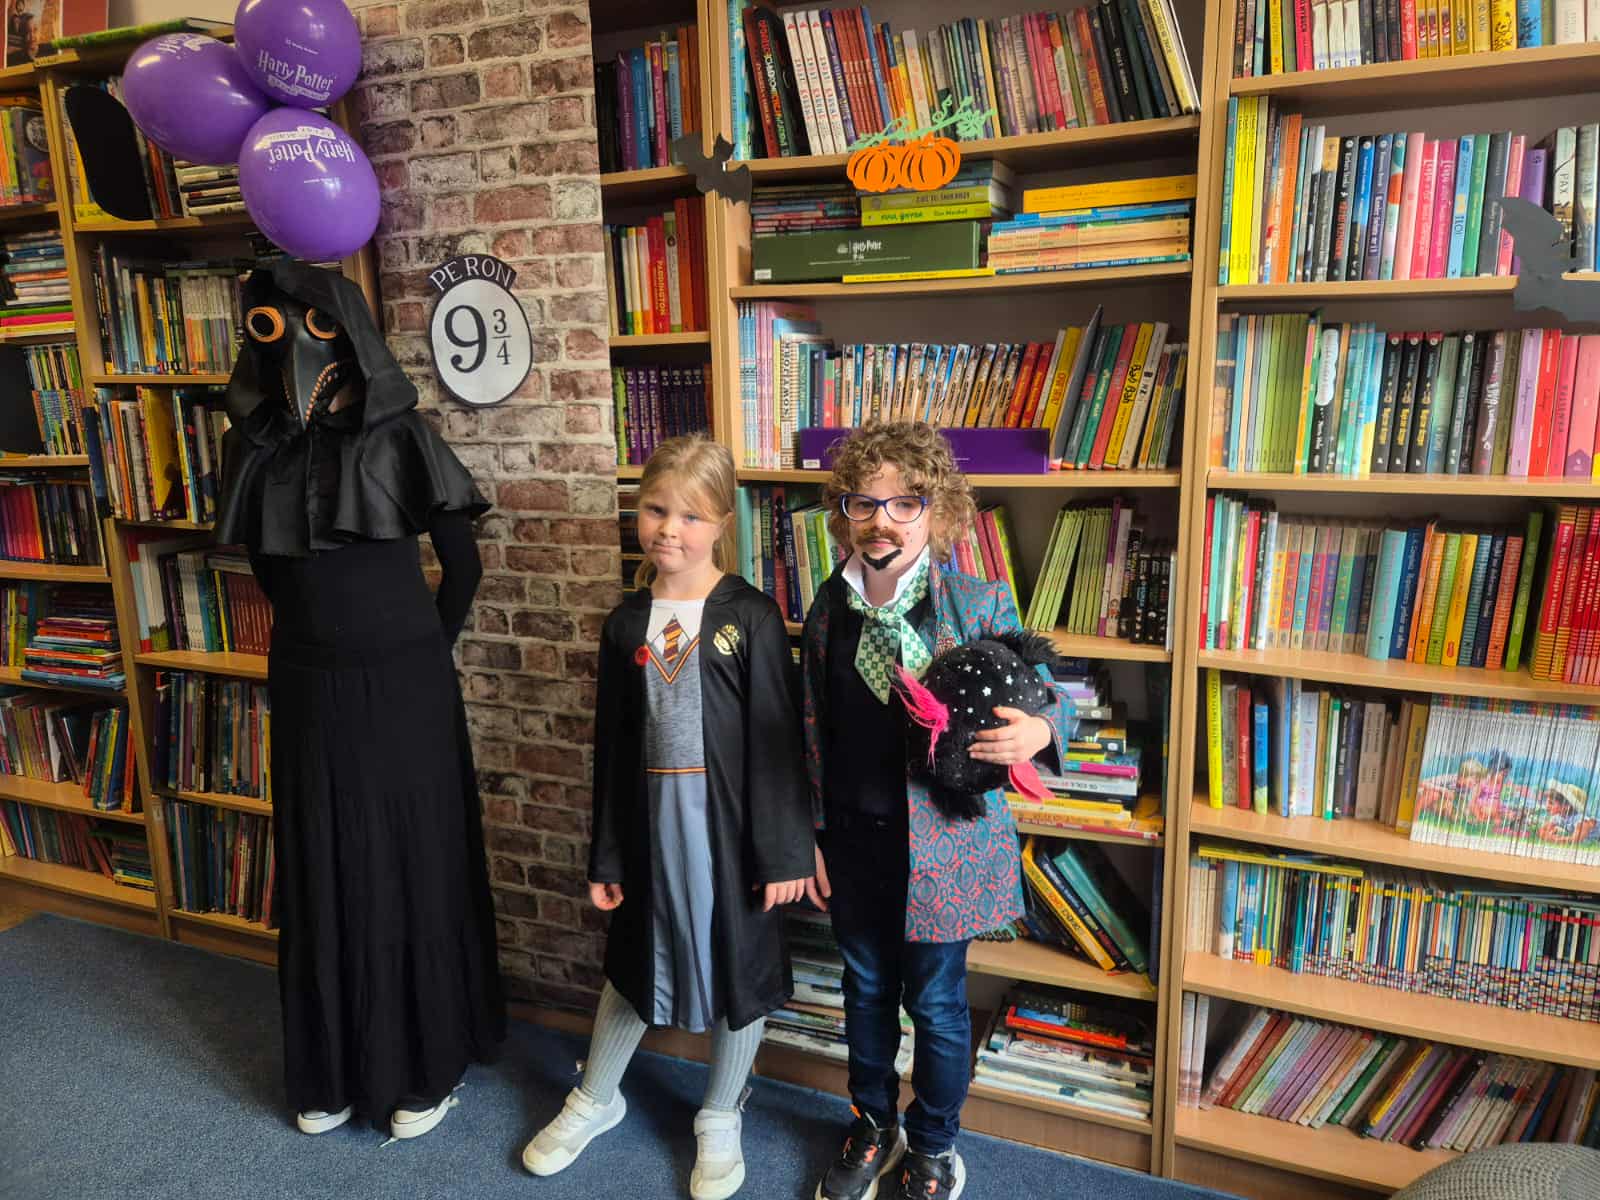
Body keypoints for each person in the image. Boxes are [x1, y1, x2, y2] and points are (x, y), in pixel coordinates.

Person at [215, 259, 505, 1140]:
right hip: (307, 680)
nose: (295, 343)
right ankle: (332, 1070)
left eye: (311, 323)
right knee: (321, 858)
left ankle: (424, 1067)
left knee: (408, 858)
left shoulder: (401, 434)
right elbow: (270, 573)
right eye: (270, 325)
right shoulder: (254, 447)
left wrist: (416, 659)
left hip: (404, 681)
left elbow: (463, 568)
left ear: (345, 329)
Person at [523, 435, 814, 1200]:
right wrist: (607, 854)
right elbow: (611, 748)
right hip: (651, 829)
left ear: (721, 523)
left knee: (738, 966)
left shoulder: (750, 617)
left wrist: (785, 852)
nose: (669, 530)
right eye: (656, 510)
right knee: (633, 962)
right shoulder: (625, 624)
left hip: (731, 833)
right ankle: (597, 1097)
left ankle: (721, 1111)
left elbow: (779, 745)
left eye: (690, 516)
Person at [800, 422, 1074, 1200]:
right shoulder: (828, 608)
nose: (882, 520)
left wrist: (1042, 730)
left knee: (937, 1005)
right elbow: (810, 728)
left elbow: (1051, 694)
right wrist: (811, 833)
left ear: (938, 511)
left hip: (945, 848)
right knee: (864, 993)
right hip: (854, 841)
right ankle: (872, 1122)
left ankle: (933, 1144)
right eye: (864, 503)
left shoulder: (978, 601)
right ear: (843, 513)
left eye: (904, 504)